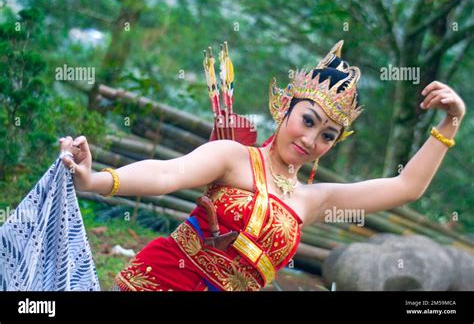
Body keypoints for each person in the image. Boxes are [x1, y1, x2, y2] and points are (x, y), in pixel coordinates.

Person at [58, 40, 466, 291]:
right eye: (307, 120)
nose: (310, 140)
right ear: (283, 109)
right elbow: (168, 173)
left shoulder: (313, 199)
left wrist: (450, 122)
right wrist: (96, 181)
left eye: (327, 135)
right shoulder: (234, 158)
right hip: (166, 282)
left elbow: (407, 187)